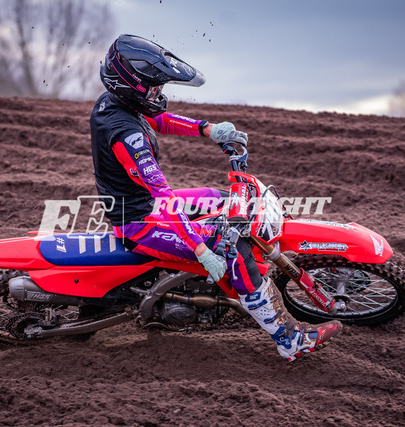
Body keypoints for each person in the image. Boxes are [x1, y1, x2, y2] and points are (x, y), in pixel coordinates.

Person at [90, 34, 341, 361]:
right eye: (153, 89)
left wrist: (207, 129)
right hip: (140, 223)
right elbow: (164, 199)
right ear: (131, 87)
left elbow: (158, 120)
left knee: (226, 200)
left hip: (144, 205)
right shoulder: (127, 138)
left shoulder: (115, 103)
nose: (159, 94)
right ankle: (288, 338)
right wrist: (201, 249)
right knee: (234, 250)